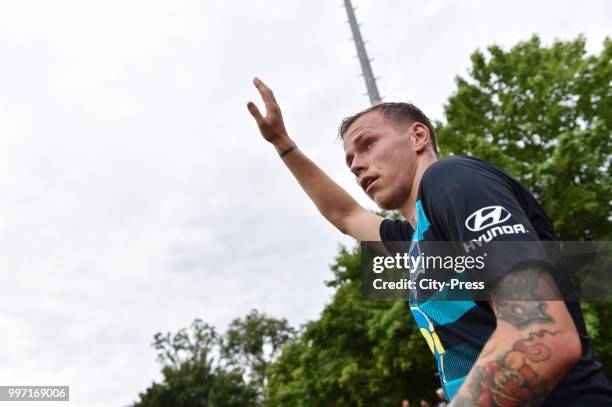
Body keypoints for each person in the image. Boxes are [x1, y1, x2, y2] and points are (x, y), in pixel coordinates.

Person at [246, 77, 612, 405]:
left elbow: (541, 335)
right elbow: (346, 215)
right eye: (350, 160)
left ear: (418, 136)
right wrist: (282, 144)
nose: (356, 164)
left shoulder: (452, 179)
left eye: (368, 144)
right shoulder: (419, 243)